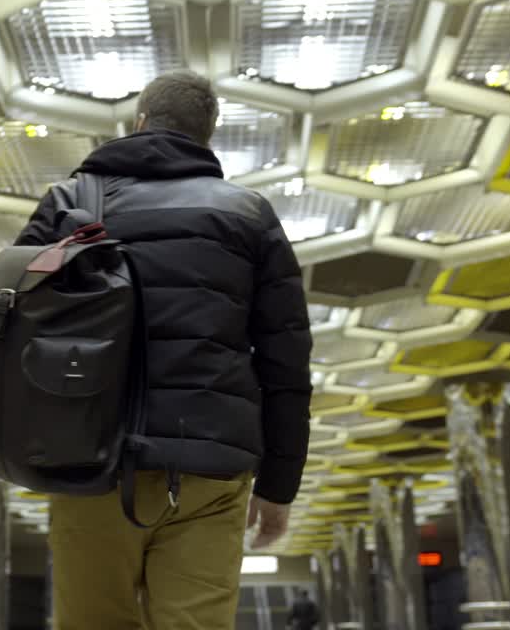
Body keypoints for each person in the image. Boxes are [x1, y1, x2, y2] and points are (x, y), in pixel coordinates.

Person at [16, 71, 313, 629]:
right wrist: (279, 485)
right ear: (208, 138)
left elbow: (16, 330)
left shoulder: (72, 203)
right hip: (209, 472)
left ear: (141, 124)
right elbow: (286, 363)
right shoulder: (249, 215)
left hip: (91, 461)